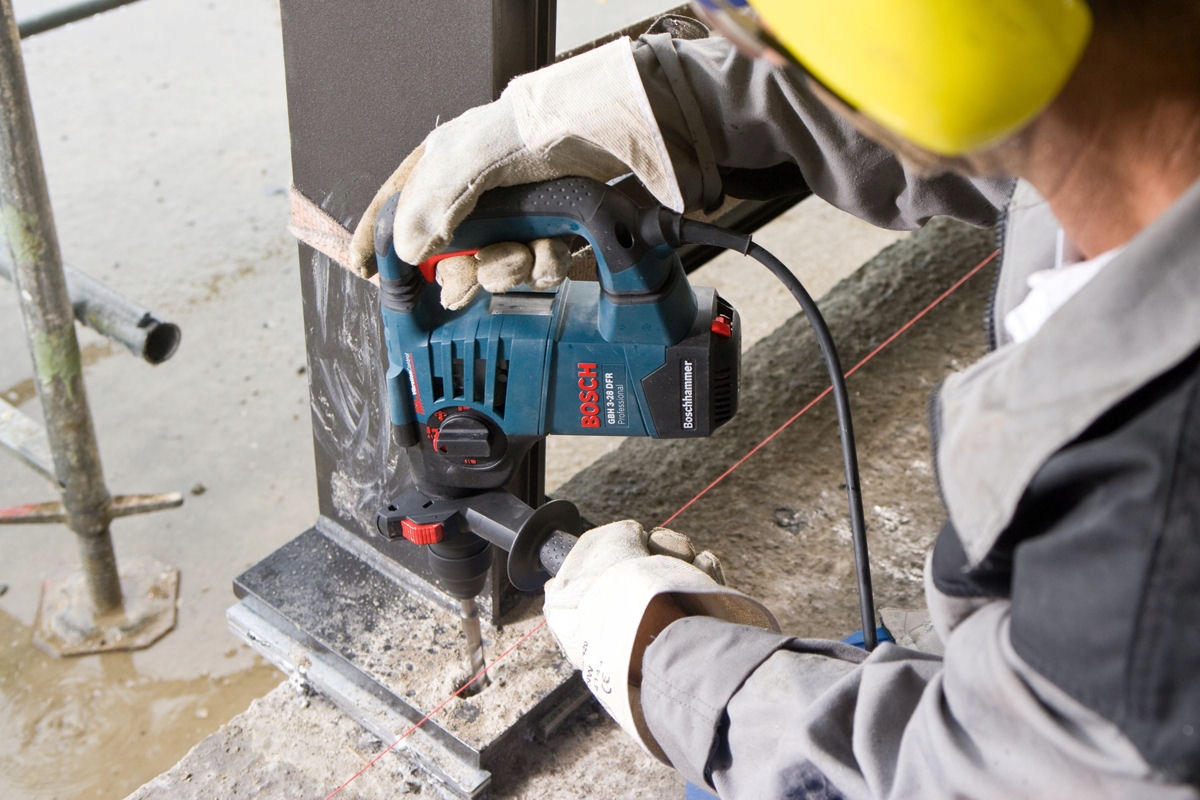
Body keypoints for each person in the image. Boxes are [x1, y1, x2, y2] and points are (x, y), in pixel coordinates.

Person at [350, 1, 1200, 797]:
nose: (745, 40)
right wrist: (654, 108)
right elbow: (1013, 101)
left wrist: (666, 657)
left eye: (758, 20)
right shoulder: (1122, 127)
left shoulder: (1150, 517)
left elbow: (979, 773)